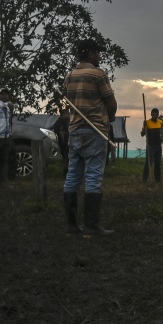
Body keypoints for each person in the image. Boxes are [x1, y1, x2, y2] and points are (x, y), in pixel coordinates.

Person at [63, 38, 117, 236]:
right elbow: (111, 103)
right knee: (93, 176)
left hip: (75, 130)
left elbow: (70, 104)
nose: (100, 56)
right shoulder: (98, 74)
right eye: (98, 52)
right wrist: (108, 119)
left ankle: (71, 226)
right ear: (91, 53)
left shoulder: (70, 75)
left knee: (72, 175)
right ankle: (91, 226)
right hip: (95, 131)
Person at [141, 108, 163, 183]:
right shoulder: (147, 122)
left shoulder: (160, 122)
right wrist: (144, 126)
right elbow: (142, 134)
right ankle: (145, 179)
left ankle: (158, 180)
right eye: (153, 114)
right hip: (150, 145)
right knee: (148, 163)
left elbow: (161, 134)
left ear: (158, 115)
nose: (154, 116)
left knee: (158, 163)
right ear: (151, 115)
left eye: (156, 115)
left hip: (158, 145)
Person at [52, 108, 71, 177]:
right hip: (63, 143)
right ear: (65, 114)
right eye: (68, 114)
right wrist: (65, 144)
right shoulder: (61, 122)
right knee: (67, 158)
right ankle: (66, 173)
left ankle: (66, 172)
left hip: (62, 143)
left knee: (67, 158)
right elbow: (61, 133)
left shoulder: (60, 121)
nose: (69, 115)